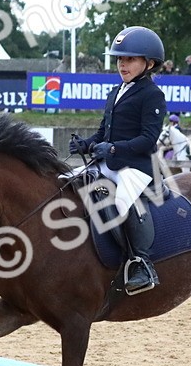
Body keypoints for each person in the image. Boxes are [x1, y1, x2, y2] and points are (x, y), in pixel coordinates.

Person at [69, 26, 167, 295]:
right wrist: (86, 144)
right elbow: (103, 132)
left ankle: (140, 263)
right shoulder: (116, 91)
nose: (122, 64)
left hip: (136, 168)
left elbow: (148, 139)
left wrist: (112, 150)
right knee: (66, 183)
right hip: (109, 162)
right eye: (119, 59)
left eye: (130, 59)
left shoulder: (152, 95)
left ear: (149, 63)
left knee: (123, 203)